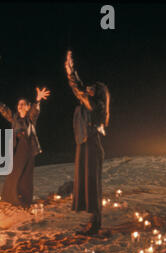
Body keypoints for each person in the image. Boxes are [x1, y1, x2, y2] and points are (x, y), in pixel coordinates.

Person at [65, 50, 110, 235]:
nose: (87, 89)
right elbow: (80, 89)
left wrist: (71, 73)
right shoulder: (90, 103)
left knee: (93, 186)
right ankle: (94, 221)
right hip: (86, 145)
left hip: (92, 146)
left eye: (91, 88)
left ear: (97, 93)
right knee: (88, 185)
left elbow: (79, 90)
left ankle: (96, 224)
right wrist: (71, 71)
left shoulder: (96, 105)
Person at [0, 87, 50, 208]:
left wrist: (38, 100)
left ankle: (24, 199)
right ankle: (11, 198)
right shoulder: (14, 117)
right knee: (14, 173)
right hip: (18, 147)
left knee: (26, 175)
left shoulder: (30, 118)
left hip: (28, 147)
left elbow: (35, 111)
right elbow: (3, 109)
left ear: (28, 107)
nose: (20, 106)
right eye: (19, 104)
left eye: (23, 104)